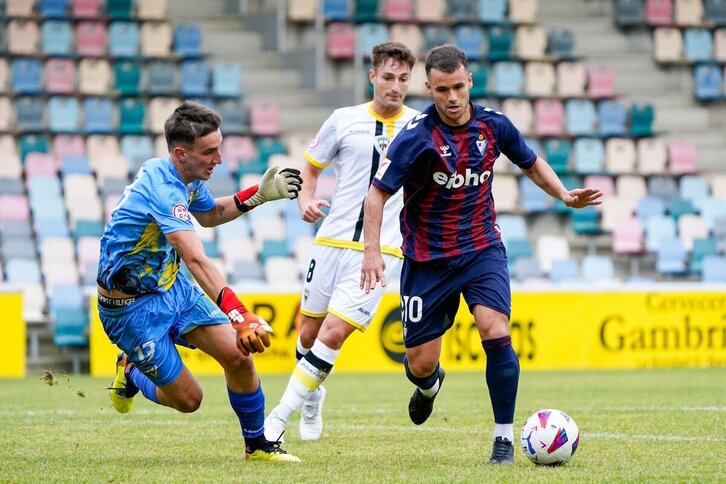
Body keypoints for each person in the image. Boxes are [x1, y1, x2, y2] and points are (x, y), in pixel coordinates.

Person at [360, 45, 603, 465]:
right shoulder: (416, 137)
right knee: (419, 363)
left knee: (495, 330)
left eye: (458, 87)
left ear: (469, 82)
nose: (452, 98)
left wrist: (564, 194)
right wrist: (371, 252)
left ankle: (504, 439)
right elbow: (377, 194)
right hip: (427, 259)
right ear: (429, 88)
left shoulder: (494, 126)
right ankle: (428, 386)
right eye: (441, 90)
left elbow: (531, 162)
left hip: (480, 249)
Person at [98, 101, 303, 462]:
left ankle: (257, 446)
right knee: (189, 401)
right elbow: (195, 257)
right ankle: (130, 372)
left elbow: (208, 215)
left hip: (171, 287)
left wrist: (257, 195)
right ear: (181, 153)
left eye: (219, 147)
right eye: (210, 151)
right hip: (129, 309)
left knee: (238, 358)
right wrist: (239, 315)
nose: (219, 159)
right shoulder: (161, 188)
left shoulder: (185, 178)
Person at [263, 42, 419, 442]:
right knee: (308, 335)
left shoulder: (421, 126)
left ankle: (277, 418)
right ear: (372, 77)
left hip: (380, 251)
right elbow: (311, 168)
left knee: (334, 333)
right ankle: (313, 397)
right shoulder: (342, 119)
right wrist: (306, 199)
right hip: (330, 242)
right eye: (388, 77)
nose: (395, 86)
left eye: (403, 79)